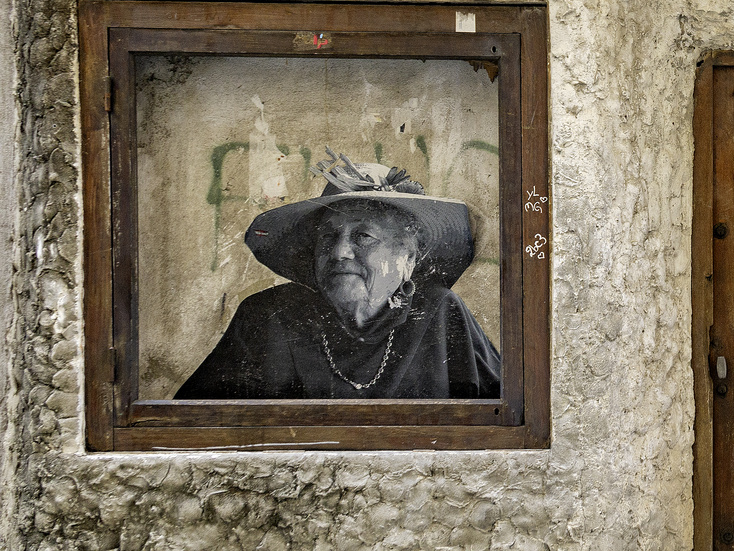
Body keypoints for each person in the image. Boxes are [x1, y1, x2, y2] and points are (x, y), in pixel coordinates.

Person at [176, 151, 500, 399]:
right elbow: (195, 426)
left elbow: (503, 420)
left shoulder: (440, 313)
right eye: (329, 237)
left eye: (363, 237)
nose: (339, 252)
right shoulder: (267, 316)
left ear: (408, 257)